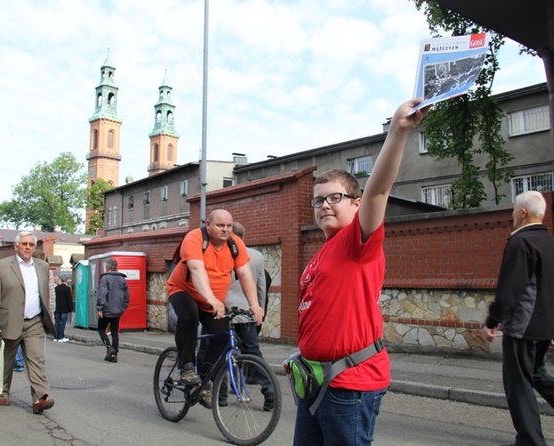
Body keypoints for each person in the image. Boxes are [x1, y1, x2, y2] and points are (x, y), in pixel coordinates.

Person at [294, 99, 428, 445]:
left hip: (348, 385)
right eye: (318, 200)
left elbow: (379, 190)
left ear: (356, 204)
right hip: (313, 380)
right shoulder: (321, 253)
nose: (324, 204)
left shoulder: (358, 242)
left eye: (334, 197)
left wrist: (398, 132)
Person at [167, 209, 264, 408]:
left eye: (229, 226)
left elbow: (245, 275)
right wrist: (210, 297)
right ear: (208, 224)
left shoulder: (235, 244)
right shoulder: (195, 238)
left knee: (222, 337)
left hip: (213, 301)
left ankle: (203, 382)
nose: (225, 230)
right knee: (189, 317)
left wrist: (255, 305)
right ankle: (187, 367)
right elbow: (196, 269)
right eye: (221, 225)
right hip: (184, 291)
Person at [483, 190, 554, 446]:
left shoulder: (520, 243)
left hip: (523, 327)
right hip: (545, 326)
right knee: (536, 375)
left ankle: (531, 441)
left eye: (514, 209)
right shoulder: (549, 242)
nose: (512, 214)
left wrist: (492, 321)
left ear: (522, 213)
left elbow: (510, 288)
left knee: (519, 384)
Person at [0, 231, 57, 414]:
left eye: (31, 245)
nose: (27, 247)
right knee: (7, 359)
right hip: (8, 320)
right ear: (16, 246)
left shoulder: (41, 266)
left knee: (36, 359)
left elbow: (45, 294)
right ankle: (1, 391)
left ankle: (40, 397)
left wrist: (49, 316)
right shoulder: (1, 266)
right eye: (24, 244)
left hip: (34, 322)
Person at [223, 221, 274, 409]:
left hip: (222, 310)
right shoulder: (257, 256)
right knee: (253, 352)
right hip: (246, 312)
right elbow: (261, 287)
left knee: (218, 351)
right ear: (244, 236)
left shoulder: (220, 252)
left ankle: (220, 396)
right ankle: (269, 390)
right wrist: (258, 310)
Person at [96, 258, 129, 362]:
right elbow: (127, 294)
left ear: (108, 267)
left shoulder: (105, 278)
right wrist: (124, 305)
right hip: (118, 309)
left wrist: (100, 308)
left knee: (101, 328)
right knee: (115, 332)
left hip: (107, 308)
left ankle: (109, 347)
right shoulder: (122, 279)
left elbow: (102, 294)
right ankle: (114, 354)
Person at [54, 277, 73, 342]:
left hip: (57, 308)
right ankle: (61, 337)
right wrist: (71, 309)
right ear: (66, 281)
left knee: (57, 322)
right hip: (64, 308)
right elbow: (69, 299)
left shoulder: (56, 288)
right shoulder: (67, 289)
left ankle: (55, 336)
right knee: (62, 323)